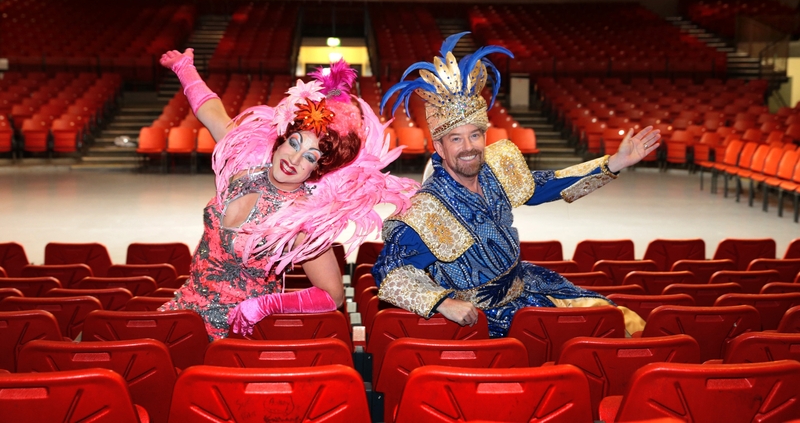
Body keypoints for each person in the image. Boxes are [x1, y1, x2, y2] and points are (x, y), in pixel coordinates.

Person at [372, 32, 659, 338]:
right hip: (488, 321)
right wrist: (442, 302)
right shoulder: (424, 210)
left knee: (619, 320)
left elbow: (548, 184)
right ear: (439, 147)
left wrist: (614, 162)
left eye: (475, 135)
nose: (468, 146)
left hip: (529, 285)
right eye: (456, 139)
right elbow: (389, 273)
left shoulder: (496, 171)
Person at [157, 49, 417, 340]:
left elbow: (332, 295)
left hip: (239, 331)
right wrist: (184, 68)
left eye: (310, 157)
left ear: (317, 170)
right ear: (280, 140)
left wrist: (265, 305)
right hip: (183, 312)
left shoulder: (304, 217)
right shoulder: (244, 161)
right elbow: (210, 110)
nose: (294, 160)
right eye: (294, 143)